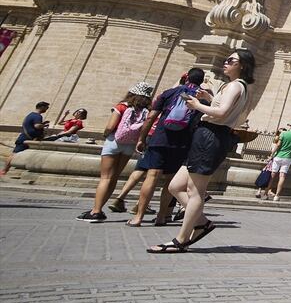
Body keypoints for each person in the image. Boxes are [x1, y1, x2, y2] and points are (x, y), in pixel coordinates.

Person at [148, 50, 254, 253]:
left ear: (242, 65)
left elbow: (222, 113)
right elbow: (223, 107)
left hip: (211, 136)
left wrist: (197, 105)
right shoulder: (235, 86)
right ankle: (202, 223)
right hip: (208, 135)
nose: (226, 62)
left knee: (195, 192)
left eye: (231, 60)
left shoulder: (234, 86)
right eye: (226, 59)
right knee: (175, 186)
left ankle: (181, 240)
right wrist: (209, 97)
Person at [127, 71, 206, 227]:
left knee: (152, 176)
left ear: (187, 77)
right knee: (170, 181)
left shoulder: (169, 93)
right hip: (182, 143)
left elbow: (151, 117)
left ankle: (138, 217)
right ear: (202, 81)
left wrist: (142, 138)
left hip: (160, 139)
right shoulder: (202, 98)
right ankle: (162, 216)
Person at [77, 82, 154, 223]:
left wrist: (106, 134)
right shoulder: (147, 110)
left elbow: (111, 126)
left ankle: (96, 211)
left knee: (105, 177)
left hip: (114, 142)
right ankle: (99, 208)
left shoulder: (122, 106)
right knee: (114, 177)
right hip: (130, 145)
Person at [2, 101, 50, 175]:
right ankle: (4, 170)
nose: (47, 109)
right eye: (46, 107)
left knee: (15, 155)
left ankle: (8, 171)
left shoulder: (30, 115)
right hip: (26, 139)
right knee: (14, 155)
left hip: (26, 138)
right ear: (42, 107)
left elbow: (31, 125)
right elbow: (37, 126)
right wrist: (43, 125)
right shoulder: (38, 116)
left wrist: (43, 124)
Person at [259, 120, 291, 201]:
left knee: (272, 175)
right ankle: (277, 196)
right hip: (288, 158)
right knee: (282, 176)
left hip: (278, 156)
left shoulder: (284, 133)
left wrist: (271, 154)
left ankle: (266, 193)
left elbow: (278, 145)